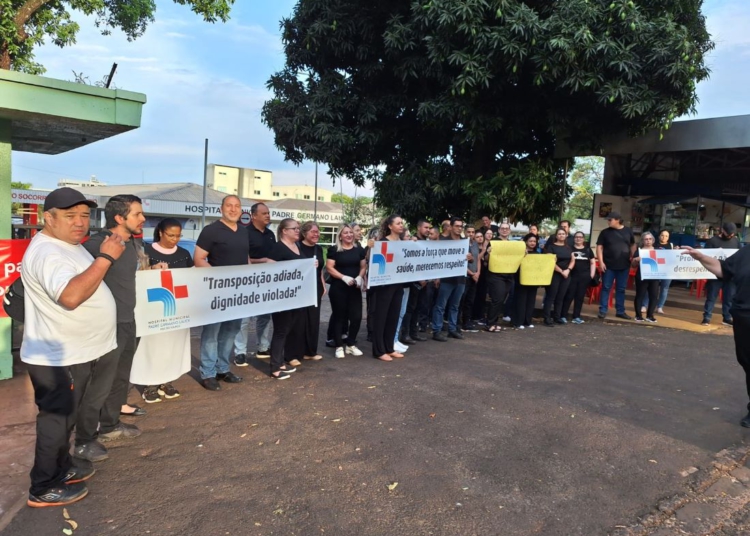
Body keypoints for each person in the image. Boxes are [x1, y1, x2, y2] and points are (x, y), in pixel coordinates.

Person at [21, 188, 123, 507]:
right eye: (70, 216)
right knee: (56, 421)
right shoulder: (47, 252)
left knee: (66, 420)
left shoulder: (67, 245)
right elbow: (71, 296)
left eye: (84, 215)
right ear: (47, 218)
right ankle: (43, 486)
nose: (80, 222)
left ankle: (61, 469)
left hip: (73, 351)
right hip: (56, 357)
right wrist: (106, 257)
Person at [75, 195, 146, 463]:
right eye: (137, 214)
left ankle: (110, 425)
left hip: (128, 321)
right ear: (119, 218)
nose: (143, 219)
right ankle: (84, 439)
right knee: (98, 385)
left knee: (120, 378)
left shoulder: (130, 243)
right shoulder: (96, 245)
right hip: (106, 325)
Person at [684, 244, 750, 427]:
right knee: (748, 363)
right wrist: (701, 257)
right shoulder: (746, 252)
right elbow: (723, 269)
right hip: (744, 317)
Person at [134, 218, 194, 403]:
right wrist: (151, 269)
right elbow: (137, 275)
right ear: (160, 232)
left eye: (178, 235)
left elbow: (191, 278)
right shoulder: (146, 251)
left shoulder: (184, 253)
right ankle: (150, 384)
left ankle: (167, 381)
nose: (175, 239)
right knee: (153, 347)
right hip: (154, 308)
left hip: (177, 308)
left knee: (173, 346)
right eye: (171, 235)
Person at [194, 195, 248, 391]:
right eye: (229, 206)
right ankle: (208, 373)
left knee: (231, 331)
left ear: (241, 209)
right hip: (215, 292)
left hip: (238, 293)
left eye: (236, 206)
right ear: (221, 209)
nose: (233, 209)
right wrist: (219, 279)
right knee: (212, 332)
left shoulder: (244, 232)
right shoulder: (211, 231)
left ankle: (222, 369)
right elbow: (199, 259)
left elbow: (246, 260)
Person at [234, 202, 275, 365]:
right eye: (264, 213)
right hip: (247, 280)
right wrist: (262, 261)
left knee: (265, 316)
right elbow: (242, 257)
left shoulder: (271, 234)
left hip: (266, 281)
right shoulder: (244, 233)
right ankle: (240, 352)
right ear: (254, 216)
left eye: (268, 213)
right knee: (244, 318)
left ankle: (263, 347)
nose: (267, 216)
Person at [268, 219, 306, 379]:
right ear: (284, 231)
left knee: (288, 328)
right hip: (281, 297)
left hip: (296, 296)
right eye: (294, 228)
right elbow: (270, 270)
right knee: (281, 330)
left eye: (298, 228)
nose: (298, 231)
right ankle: (275, 367)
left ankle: (281, 362)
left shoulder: (297, 246)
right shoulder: (277, 248)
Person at [326, 224, 366, 358]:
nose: (349, 235)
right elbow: (330, 267)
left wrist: (360, 277)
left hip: (354, 288)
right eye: (345, 233)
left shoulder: (359, 250)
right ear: (340, 236)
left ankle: (350, 345)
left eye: (350, 232)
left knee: (356, 317)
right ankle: (338, 346)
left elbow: (363, 266)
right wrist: (343, 277)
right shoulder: (334, 250)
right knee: (339, 317)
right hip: (339, 288)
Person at [369, 215, 405, 361]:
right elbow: (372, 262)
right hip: (384, 286)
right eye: (398, 223)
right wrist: (371, 247)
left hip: (398, 284)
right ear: (390, 226)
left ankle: (389, 348)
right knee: (381, 317)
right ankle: (378, 351)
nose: (401, 225)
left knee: (393, 316)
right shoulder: (382, 242)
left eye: (402, 223)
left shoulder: (404, 243)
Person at [431, 217, 467, 342]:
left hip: (460, 279)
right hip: (446, 278)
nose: (459, 228)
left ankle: (452, 329)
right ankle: (437, 330)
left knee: (455, 306)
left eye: (461, 226)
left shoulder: (464, 241)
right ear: (450, 227)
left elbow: (471, 259)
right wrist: (437, 276)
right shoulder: (443, 241)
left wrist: (470, 257)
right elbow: (437, 259)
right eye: (457, 226)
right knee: (441, 305)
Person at [596, 211, 636, 320]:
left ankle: (620, 311)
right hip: (608, 265)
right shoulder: (604, 232)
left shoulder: (628, 231)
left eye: (610, 220)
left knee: (621, 289)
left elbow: (633, 244)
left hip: (624, 265)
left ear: (617, 220)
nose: (608, 222)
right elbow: (599, 247)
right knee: (606, 287)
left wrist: (633, 257)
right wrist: (601, 262)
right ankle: (603, 310)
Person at [701, 222, 741, 326]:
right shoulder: (712, 241)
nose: (731, 236)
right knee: (711, 297)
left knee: (729, 298)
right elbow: (705, 257)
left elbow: (740, 256)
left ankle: (727, 317)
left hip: (730, 274)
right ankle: (707, 317)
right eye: (729, 233)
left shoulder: (736, 241)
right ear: (722, 231)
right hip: (715, 274)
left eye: (733, 234)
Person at [298, 221, 327, 361]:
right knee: (300, 320)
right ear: (304, 233)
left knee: (313, 320)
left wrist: (323, 285)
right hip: (300, 288)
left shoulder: (319, 249)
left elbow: (320, 269)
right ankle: (298, 351)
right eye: (313, 232)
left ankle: (311, 352)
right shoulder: (297, 247)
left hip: (315, 287)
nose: (316, 234)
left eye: (318, 231)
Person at [404, 219, 433, 342]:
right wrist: (419, 278)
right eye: (426, 228)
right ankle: (405, 334)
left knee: (418, 308)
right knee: (410, 308)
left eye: (429, 228)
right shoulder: (413, 241)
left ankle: (414, 333)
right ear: (418, 228)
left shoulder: (426, 242)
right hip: (413, 282)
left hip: (424, 282)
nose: (428, 230)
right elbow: (409, 262)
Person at [561, 231, 597, 324]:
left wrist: (591, 275)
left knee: (580, 297)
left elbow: (593, 263)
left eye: (580, 237)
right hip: (572, 276)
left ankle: (576, 316)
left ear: (583, 239)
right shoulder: (569, 249)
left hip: (584, 277)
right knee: (569, 296)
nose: (578, 238)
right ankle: (563, 315)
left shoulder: (588, 250)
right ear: (574, 238)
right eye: (576, 237)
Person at [485, 223, 515, 332]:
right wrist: (488, 253)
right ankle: (489, 323)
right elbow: (487, 259)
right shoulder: (493, 242)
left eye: (507, 228)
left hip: (508, 276)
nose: (505, 230)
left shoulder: (512, 244)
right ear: (499, 230)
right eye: (502, 228)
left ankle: (494, 322)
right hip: (496, 275)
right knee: (497, 299)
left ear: (510, 231)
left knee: (501, 299)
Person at [543, 228, 575, 326]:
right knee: (551, 297)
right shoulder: (551, 247)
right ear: (556, 236)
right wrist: (561, 271)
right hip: (554, 274)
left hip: (566, 275)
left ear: (566, 235)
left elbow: (573, 260)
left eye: (563, 234)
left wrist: (568, 270)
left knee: (560, 297)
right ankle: (547, 318)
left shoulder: (569, 248)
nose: (561, 235)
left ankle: (557, 317)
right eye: (559, 234)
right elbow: (551, 262)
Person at [512, 233, 539, 329]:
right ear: (526, 241)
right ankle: (518, 322)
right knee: (521, 301)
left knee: (531, 301)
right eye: (530, 241)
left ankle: (527, 321)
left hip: (533, 280)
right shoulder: (520, 253)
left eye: (534, 241)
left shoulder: (538, 254)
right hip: (521, 280)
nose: (532, 243)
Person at [643, 229, 674, 315]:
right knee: (650, 288)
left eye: (666, 236)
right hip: (655, 270)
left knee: (664, 289)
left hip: (667, 271)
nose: (664, 237)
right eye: (662, 235)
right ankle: (644, 305)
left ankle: (660, 307)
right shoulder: (653, 245)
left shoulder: (671, 246)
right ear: (659, 236)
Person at [632, 231, 659, 323]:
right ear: (643, 241)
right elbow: (633, 265)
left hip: (654, 276)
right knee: (640, 295)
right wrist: (636, 260)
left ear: (653, 240)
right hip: (642, 276)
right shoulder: (639, 251)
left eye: (650, 239)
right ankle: (638, 315)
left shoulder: (657, 251)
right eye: (646, 239)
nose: (648, 241)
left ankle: (650, 315)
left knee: (654, 296)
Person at [461, 227, 481, 332]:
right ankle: (457, 323)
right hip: (465, 276)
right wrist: (472, 273)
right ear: (465, 232)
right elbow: (460, 261)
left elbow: (477, 259)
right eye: (468, 232)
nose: (471, 234)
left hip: (474, 276)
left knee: (470, 301)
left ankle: (466, 322)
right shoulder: (461, 243)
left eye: (473, 232)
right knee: (461, 301)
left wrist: (478, 272)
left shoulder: (475, 244)